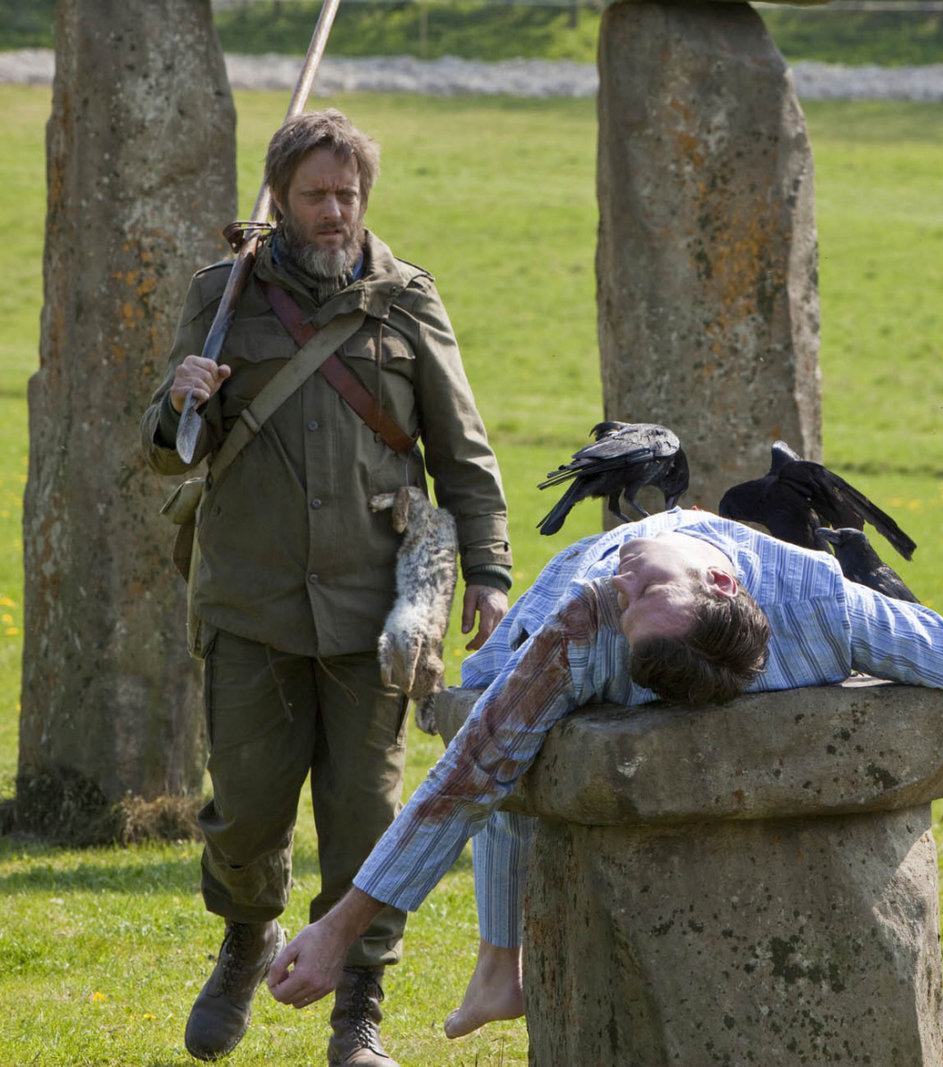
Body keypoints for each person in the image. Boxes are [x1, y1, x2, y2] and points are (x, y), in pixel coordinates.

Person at [263, 509, 943, 1033]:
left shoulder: (821, 605)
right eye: (634, 587)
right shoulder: (591, 602)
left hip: (603, 641)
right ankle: (497, 964)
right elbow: (466, 776)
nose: (623, 575)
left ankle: (495, 970)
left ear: (725, 586)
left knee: (508, 737)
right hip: (548, 636)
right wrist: (341, 925)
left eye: (638, 587)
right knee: (492, 722)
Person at [139, 109, 513, 1067]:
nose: (336, 211)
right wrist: (180, 399)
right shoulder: (223, 294)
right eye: (316, 195)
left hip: (371, 610)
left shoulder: (408, 302)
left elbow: (462, 450)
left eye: (348, 194)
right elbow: (170, 450)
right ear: (280, 198)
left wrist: (489, 572)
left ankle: (359, 1007)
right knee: (246, 810)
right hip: (249, 601)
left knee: (365, 819)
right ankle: (244, 939)